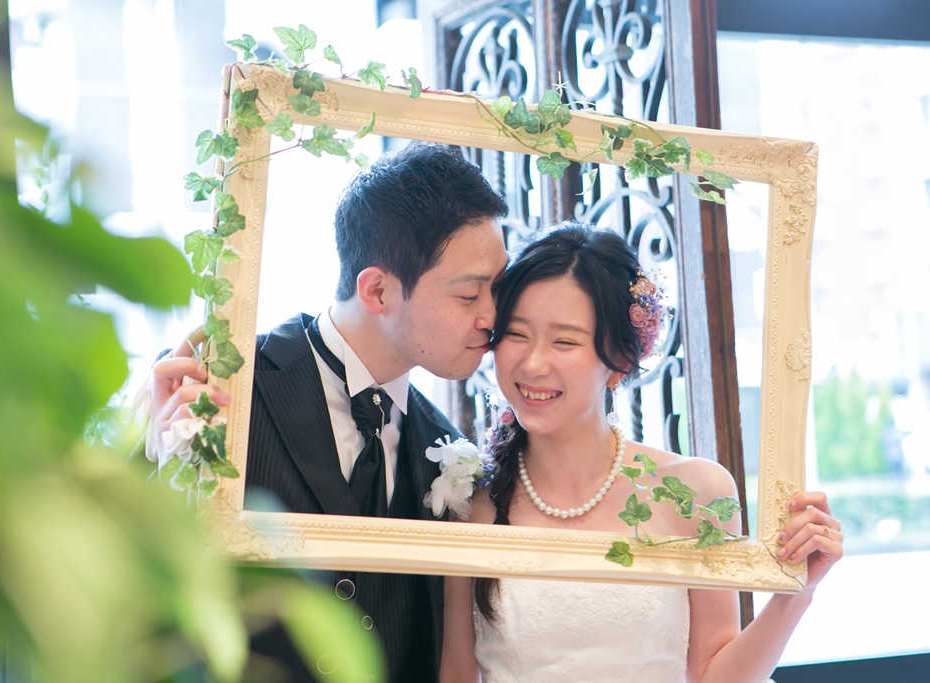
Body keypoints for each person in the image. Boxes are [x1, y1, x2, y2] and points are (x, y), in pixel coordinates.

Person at [151, 142, 510, 683]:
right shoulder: (220, 387)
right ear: (378, 290)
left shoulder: (447, 451)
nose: (492, 316)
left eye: (497, 289)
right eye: (468, 295)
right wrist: (163, 456)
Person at [439, 224, 844, 683]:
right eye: (516, 334)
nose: (533, 364)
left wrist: (797, 592)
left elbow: (713, 675)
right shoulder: (471, 505)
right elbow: (456, 674)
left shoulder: (696, 492)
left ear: (618, 361)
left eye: (564, 341)